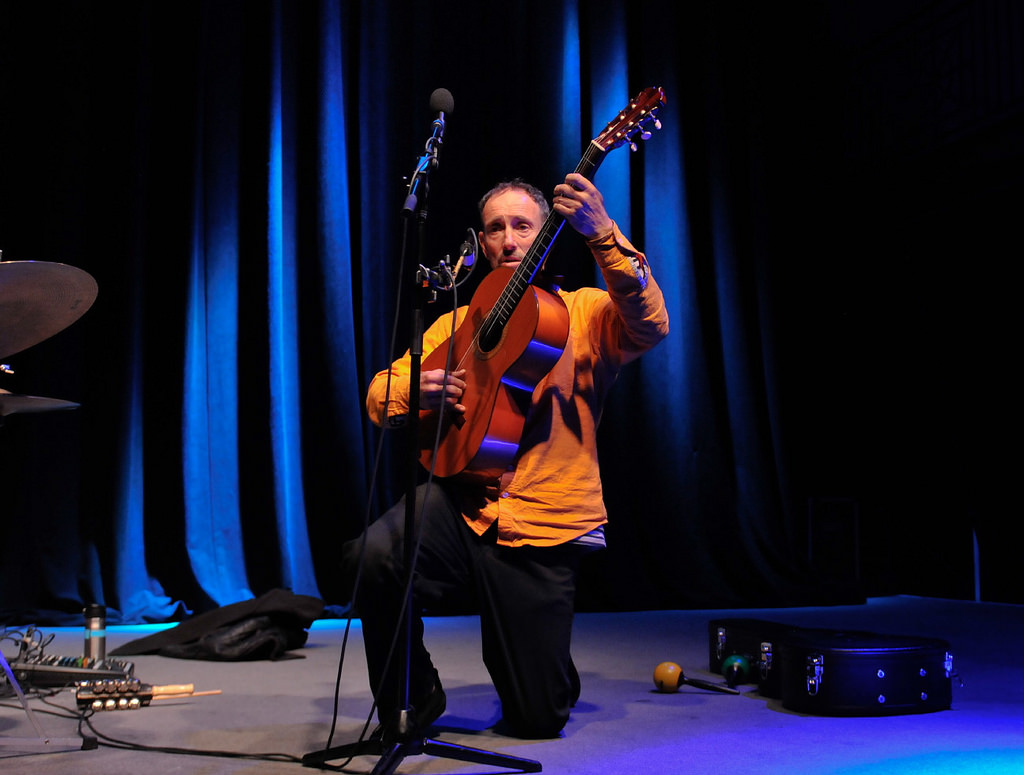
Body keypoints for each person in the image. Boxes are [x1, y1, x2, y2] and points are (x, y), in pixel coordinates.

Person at [343, 173, 669, 740]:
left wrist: (603, 236)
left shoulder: (587, 313)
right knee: (372, 555)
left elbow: (651, 322)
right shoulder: (461, 322)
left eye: (524, 225)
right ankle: (413, 700)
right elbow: (377, 394)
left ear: (546, 234)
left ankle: (542, 666)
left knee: (537, 718)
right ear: (483, 241)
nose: (510, 239)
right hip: (463, 501)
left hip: (542, 521)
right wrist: (415, 388)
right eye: (497, 228)